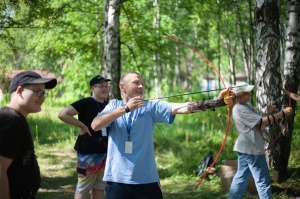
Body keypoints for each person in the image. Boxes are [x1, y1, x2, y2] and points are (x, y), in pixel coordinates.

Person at [91, 71, 234, 199]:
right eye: (136, 83)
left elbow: (183, 107)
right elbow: (95, 125)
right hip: (117, 180)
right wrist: (127, 108)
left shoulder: (151, 106)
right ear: (122, 87)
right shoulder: (114, 106)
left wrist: (217, 102)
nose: (141, 86)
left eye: (142, 84)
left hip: (146, 180)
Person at [228, 82, 293, 199]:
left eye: (249, 92)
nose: (249, 95)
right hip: (251, 149)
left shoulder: (246, 106)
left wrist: (268, 113)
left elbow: (257, 120)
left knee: (241, 178)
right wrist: (282, 113)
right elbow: (261, 122)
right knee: (263, 181)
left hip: (246, 148)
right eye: (246, 93)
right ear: (240, 95)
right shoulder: (239, 109)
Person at [0, 71, 57, 199]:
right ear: (19, 91)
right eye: (37, 91)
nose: (42, 97)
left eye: (43, 93)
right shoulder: (10, 120)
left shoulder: (16, 118)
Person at [58, 75, 111, 199]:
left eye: (106, 86)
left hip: (106, 151)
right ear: (93, 88)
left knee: (100, 187)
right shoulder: (86, 102)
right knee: (84, 188)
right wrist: (81, 125)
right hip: (89, 152)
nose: (105, 89)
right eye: (101, 86)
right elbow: (63, 114)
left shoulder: (109, 105)